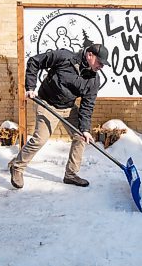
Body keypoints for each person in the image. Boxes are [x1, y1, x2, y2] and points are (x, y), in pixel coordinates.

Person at [8, 43, 111, 189]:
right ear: (90, 55)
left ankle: (71, 174)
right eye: (100, 62)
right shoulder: (64, 57)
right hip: (47, 103)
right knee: (40, 139)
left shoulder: (93, 79)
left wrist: (85, 129)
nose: (101, 66)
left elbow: (87, 106)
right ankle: (17, 167)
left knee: (81, 136)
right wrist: (30, 87)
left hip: (68, 107)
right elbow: (34, 61)